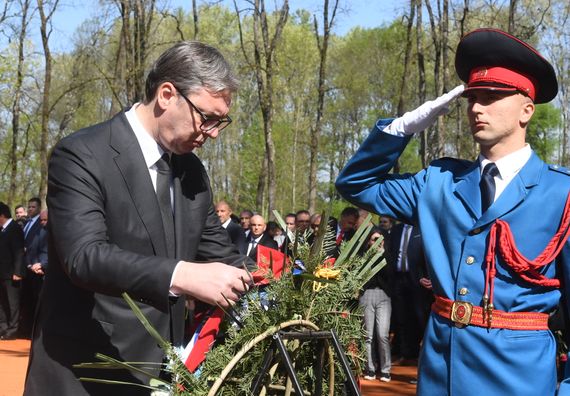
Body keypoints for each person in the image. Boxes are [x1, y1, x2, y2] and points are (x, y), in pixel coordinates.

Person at [336, 28, 568, 395]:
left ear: (527, 109)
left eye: (491, 97)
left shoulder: (562, 193)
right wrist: (403, 127)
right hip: (441, 372)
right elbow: (356, 185)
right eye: (472, 97)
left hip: (520, 378)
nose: (476, 108)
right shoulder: (438, 182)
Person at [24, 41, 250, 395]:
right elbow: (84, 257)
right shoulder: (82, 154)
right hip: (87, 371)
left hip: (165, 375)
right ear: (166, 94)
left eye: (222, 122)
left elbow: (221, 253)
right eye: (207, 118)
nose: (213, 133)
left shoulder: (191, 170)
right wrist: (182, 274)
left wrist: (289, 283)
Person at [360, 227, 393, 382]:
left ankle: (386, 369)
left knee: (383, 335)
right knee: (368, 335)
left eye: (379, 239)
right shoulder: (363, 257)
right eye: (374, 239)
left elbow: (389, 275)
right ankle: (370, 368)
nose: (377, 242)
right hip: (366, 295)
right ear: (368, 241)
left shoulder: (388, 256)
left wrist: (381, 254)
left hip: (384, 296)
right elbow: (364, 277)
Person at [0, 202, 25, 340]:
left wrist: (17, 272)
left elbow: (19, 252)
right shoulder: (2, 229)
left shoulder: (14, 228)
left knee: (12, 303)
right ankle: (3, 327)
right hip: (1, 273)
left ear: (2, 215)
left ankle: (13, 329)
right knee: (2, 302)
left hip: (12, 274)